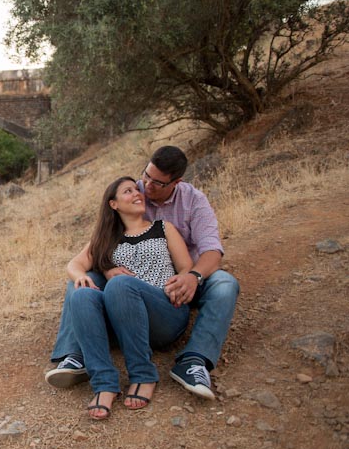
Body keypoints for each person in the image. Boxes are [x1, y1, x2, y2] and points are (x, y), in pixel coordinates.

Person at [45, 146, 240, 400]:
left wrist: (191, 276)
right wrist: (106, 267)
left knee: (225, 283)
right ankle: (76, 356)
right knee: (83, 284)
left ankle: (192, 362)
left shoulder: (190, 203)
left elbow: (212, 252)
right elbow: (88, 252)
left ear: (175, 182)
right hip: (124, 288)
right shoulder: (129, 199)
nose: (144, 187)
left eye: (156, 183)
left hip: (175, 286)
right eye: (144, 176)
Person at [67, 176, 194, 419]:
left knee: (120, 283)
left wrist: (182, 283)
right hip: (123, 320)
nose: (137, 193)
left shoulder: (163, 228)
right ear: (113, 204)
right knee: (81, 294)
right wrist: (80, 276)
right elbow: (75, 264)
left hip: (164, 310)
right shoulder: (106, 240)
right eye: (128, 191)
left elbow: (186, 268)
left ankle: (143, 374)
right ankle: (104, 383)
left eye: (137, 189)